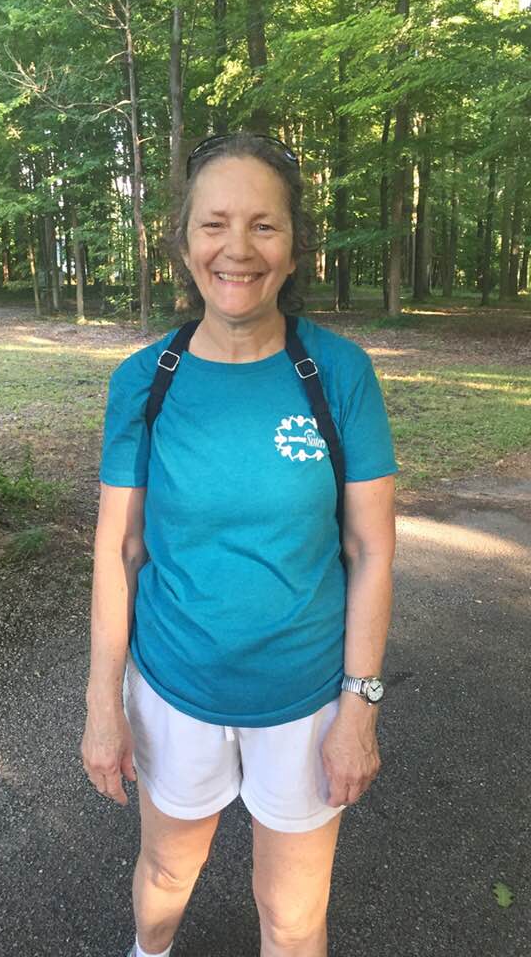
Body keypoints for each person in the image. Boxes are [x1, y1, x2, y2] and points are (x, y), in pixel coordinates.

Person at [81, 132, 398, 957]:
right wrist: (101, 704)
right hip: (173, 686)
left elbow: (370, 550)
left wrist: (358, 708)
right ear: (184, 242)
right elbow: (120, 550)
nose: (238, 248)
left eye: (265, 226)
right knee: (163, 880)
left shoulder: (339, 373)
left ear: (294, 248)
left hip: (306, 698)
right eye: (215, 224)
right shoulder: (146, 380)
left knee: (292, 919)